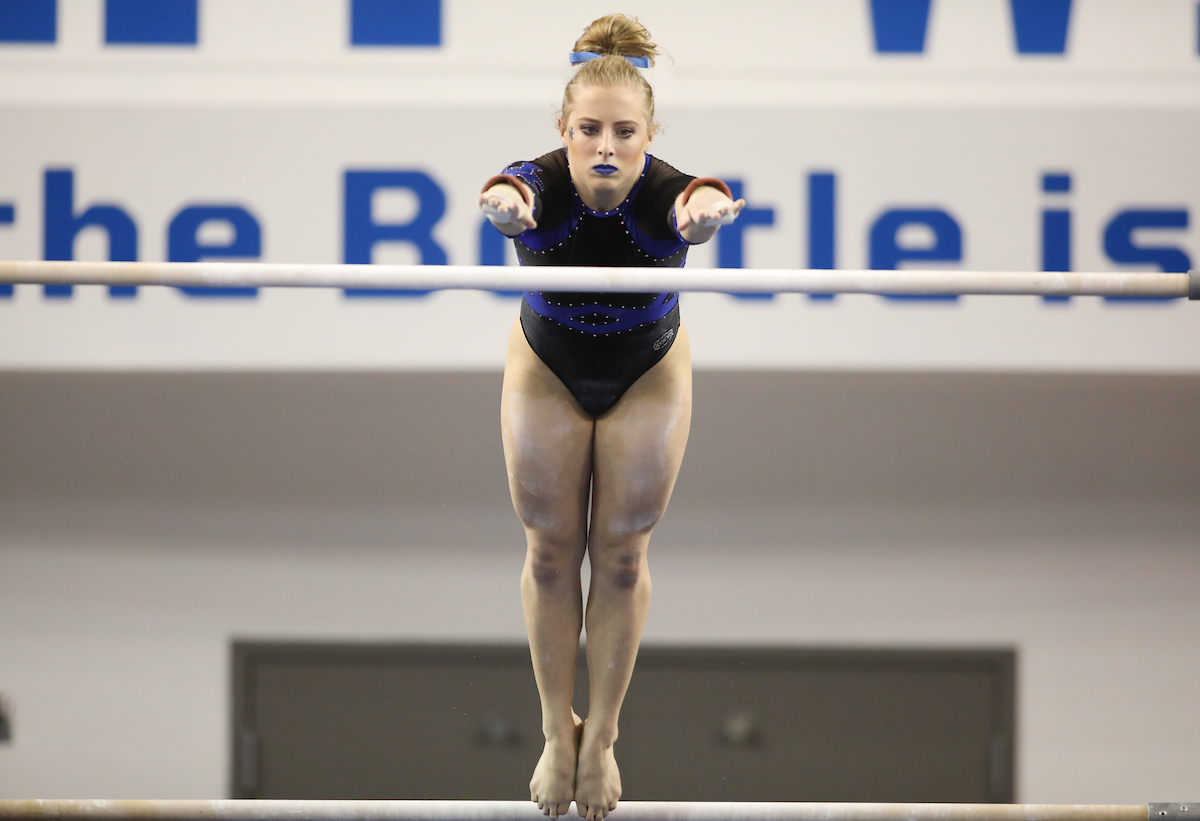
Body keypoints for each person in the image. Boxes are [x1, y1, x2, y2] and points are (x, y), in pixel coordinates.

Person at [477, 14, 744, 821]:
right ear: (563, 131)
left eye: (623, 133)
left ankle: (604, 738)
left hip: (648, 369)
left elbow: (699, 194)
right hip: (547, 364)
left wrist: (706, 214)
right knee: (551, 550)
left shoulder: (664, 188)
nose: (604, 147)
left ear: (648, 134)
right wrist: (504, 205)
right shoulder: (544, 180)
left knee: (622, 556)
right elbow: (514, 185)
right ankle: (559, 732)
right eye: (587, 130)